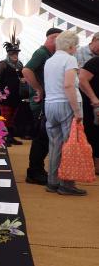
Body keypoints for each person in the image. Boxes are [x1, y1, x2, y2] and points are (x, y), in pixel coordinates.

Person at [44, 31, 86, 195]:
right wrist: (77, 111)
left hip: (50, 105)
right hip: (66, 104)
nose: (76, 49)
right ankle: (67, 184)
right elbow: (69, 85)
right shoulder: (70, 59)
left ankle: (52, 182)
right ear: (70, 46)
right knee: (70, 145)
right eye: (75, 45)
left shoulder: (50, 60)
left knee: (54, 144)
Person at [22, 27, 62, 184]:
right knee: (41, 138)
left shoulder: (49, 54)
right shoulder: (41, 53)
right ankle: (34, 172)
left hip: (46, 101)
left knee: (43, 138)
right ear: (53, 38)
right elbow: (26, 70)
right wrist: (39, 88)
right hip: (41, 102)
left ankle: (37, 169)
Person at [0, 40, 24, 146]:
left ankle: (10, 137)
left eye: (16, 53)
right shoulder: (3, 64)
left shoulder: (20, 65)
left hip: (16, 95)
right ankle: (4, 138)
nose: (15, 55)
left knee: (12, 118)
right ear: (8, 54)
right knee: (5, 118)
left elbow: (22, 77)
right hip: (5, 96)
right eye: (12, 53)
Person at [79, 56, 99, 174]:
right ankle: (93, 164)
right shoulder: (95, 62)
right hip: (92, 105)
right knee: (93, 133)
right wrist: (94, 98)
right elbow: (82, 80)